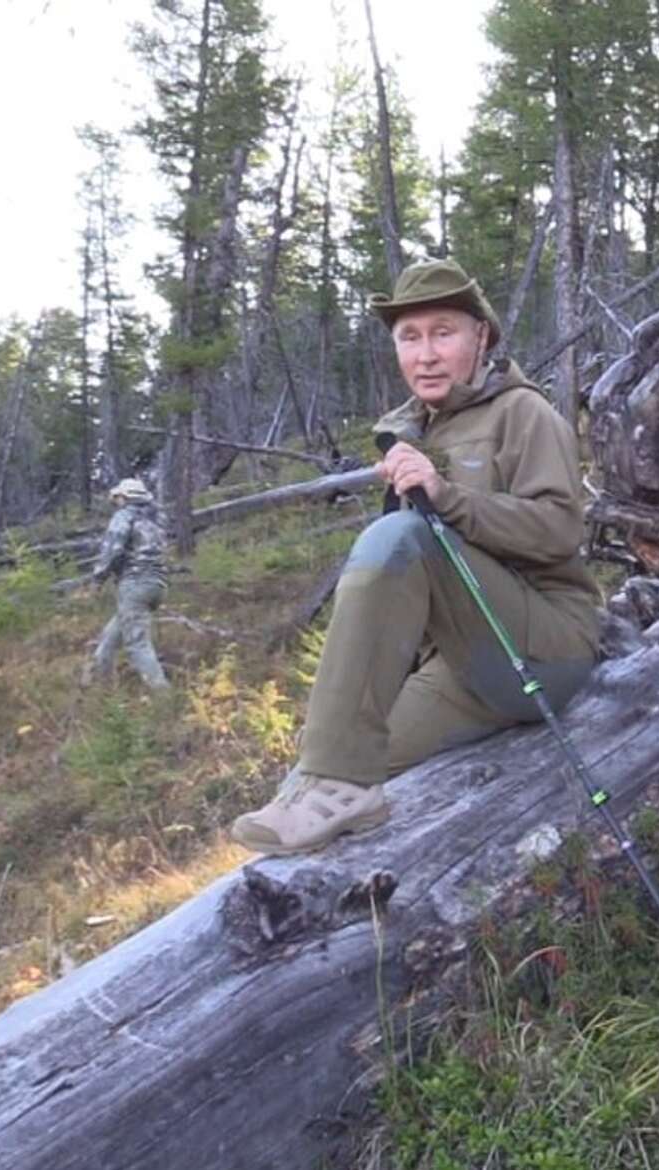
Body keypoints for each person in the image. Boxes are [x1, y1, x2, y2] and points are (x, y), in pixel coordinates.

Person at [231, 259, 601, 855]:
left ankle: (337, 788)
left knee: (397, 538)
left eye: (443, 332)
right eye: (410, 336)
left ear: (482, 336)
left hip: (545, 649)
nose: (425, 354)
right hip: (463, 662)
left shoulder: (523, 412)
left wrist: (446, 496)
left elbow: (560, 530)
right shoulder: (412, 431)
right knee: (351, 755)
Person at [84, 477, 171, 690]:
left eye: (118, 497)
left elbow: (112, 550)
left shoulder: (124, 517)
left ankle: (164, 696)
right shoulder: (157, 518)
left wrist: (97, 580)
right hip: (157, 585)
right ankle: (97, 687)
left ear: (125, 498)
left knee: (137, 645)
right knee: (110, 639)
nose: (116, 501)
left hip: (135, 584)